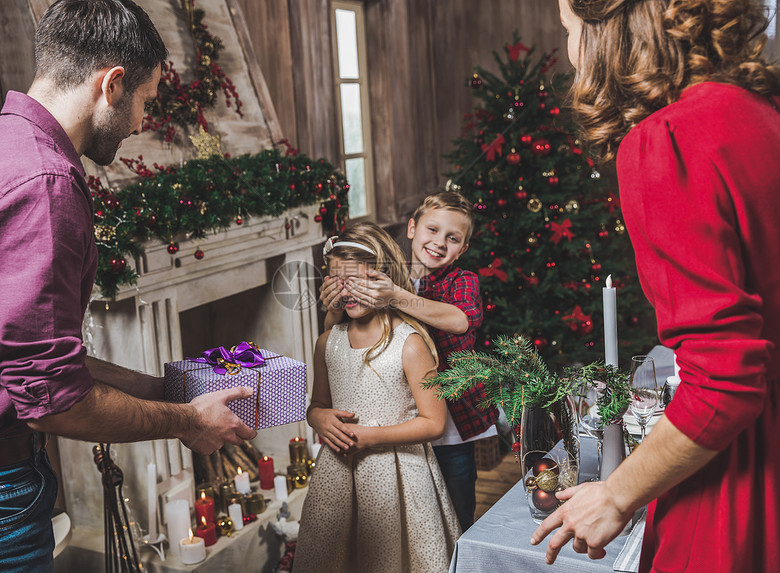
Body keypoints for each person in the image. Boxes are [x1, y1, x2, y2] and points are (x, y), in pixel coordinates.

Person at [0, 1, 254, 570]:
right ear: (112, 84)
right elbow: (51, 399)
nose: (142, 121)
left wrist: (166, 390)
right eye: (146, 100)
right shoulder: (42, 182)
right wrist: (190, 423)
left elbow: (35, 359)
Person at [531, 1, 780, 571]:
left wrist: (615, 494)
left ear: (610, 29)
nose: (570, 51)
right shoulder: (759, 112)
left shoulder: (667, 139)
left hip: (743, 482)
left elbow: (725, 384)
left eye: (569, 31)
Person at [320, 190, 497, 531]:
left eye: (452, 238)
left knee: (457, 517)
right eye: (432, 230)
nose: (439, 242)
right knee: (410, 522)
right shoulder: (385, 269)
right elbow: (336, 338)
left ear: (463, 249)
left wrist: (397, 296)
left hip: (449, 431)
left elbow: (461, 320)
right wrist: (333, 306)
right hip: (396, 421)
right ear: (413, 228)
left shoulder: (462, 281)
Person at [294, 223, 461, 573]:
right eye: (338, 280)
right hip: (338, 476)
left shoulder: (409, 344)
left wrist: (370, 437)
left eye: (359, 279)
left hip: (400, 478)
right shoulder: (329, 342)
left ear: (385, 281)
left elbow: (435, 421)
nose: (348, 289)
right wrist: (318, 418)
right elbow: (317, 405)